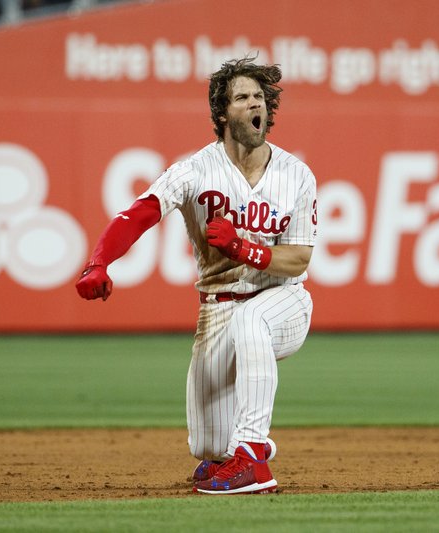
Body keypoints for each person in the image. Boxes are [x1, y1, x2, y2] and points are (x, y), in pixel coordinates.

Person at [76, 56, 317, 495]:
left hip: (284, 302)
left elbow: (299, 259)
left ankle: (253, 461)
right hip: (218, 309)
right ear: (222, 113)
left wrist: (242, 247)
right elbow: (139, 214)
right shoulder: (195, 170)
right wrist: (99, 261)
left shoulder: (295, 174)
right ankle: (244, 445)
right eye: (242, 97)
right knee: (206, 445)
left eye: (259, 97)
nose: (253, 104)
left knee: (253, 321)